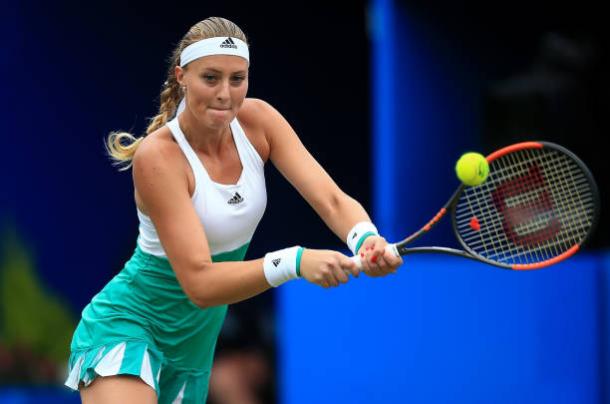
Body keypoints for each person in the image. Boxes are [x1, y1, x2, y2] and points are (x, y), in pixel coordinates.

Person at [64, 16, 403, 404]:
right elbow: (200, 284)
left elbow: (332, 200)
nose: (225, 93)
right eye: (211, 78)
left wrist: (366, 237)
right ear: (182, 77)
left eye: (237, 78)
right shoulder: (159, 157)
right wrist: (294, 262)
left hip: (194, 346)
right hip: (129, 325)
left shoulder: (259, 122)